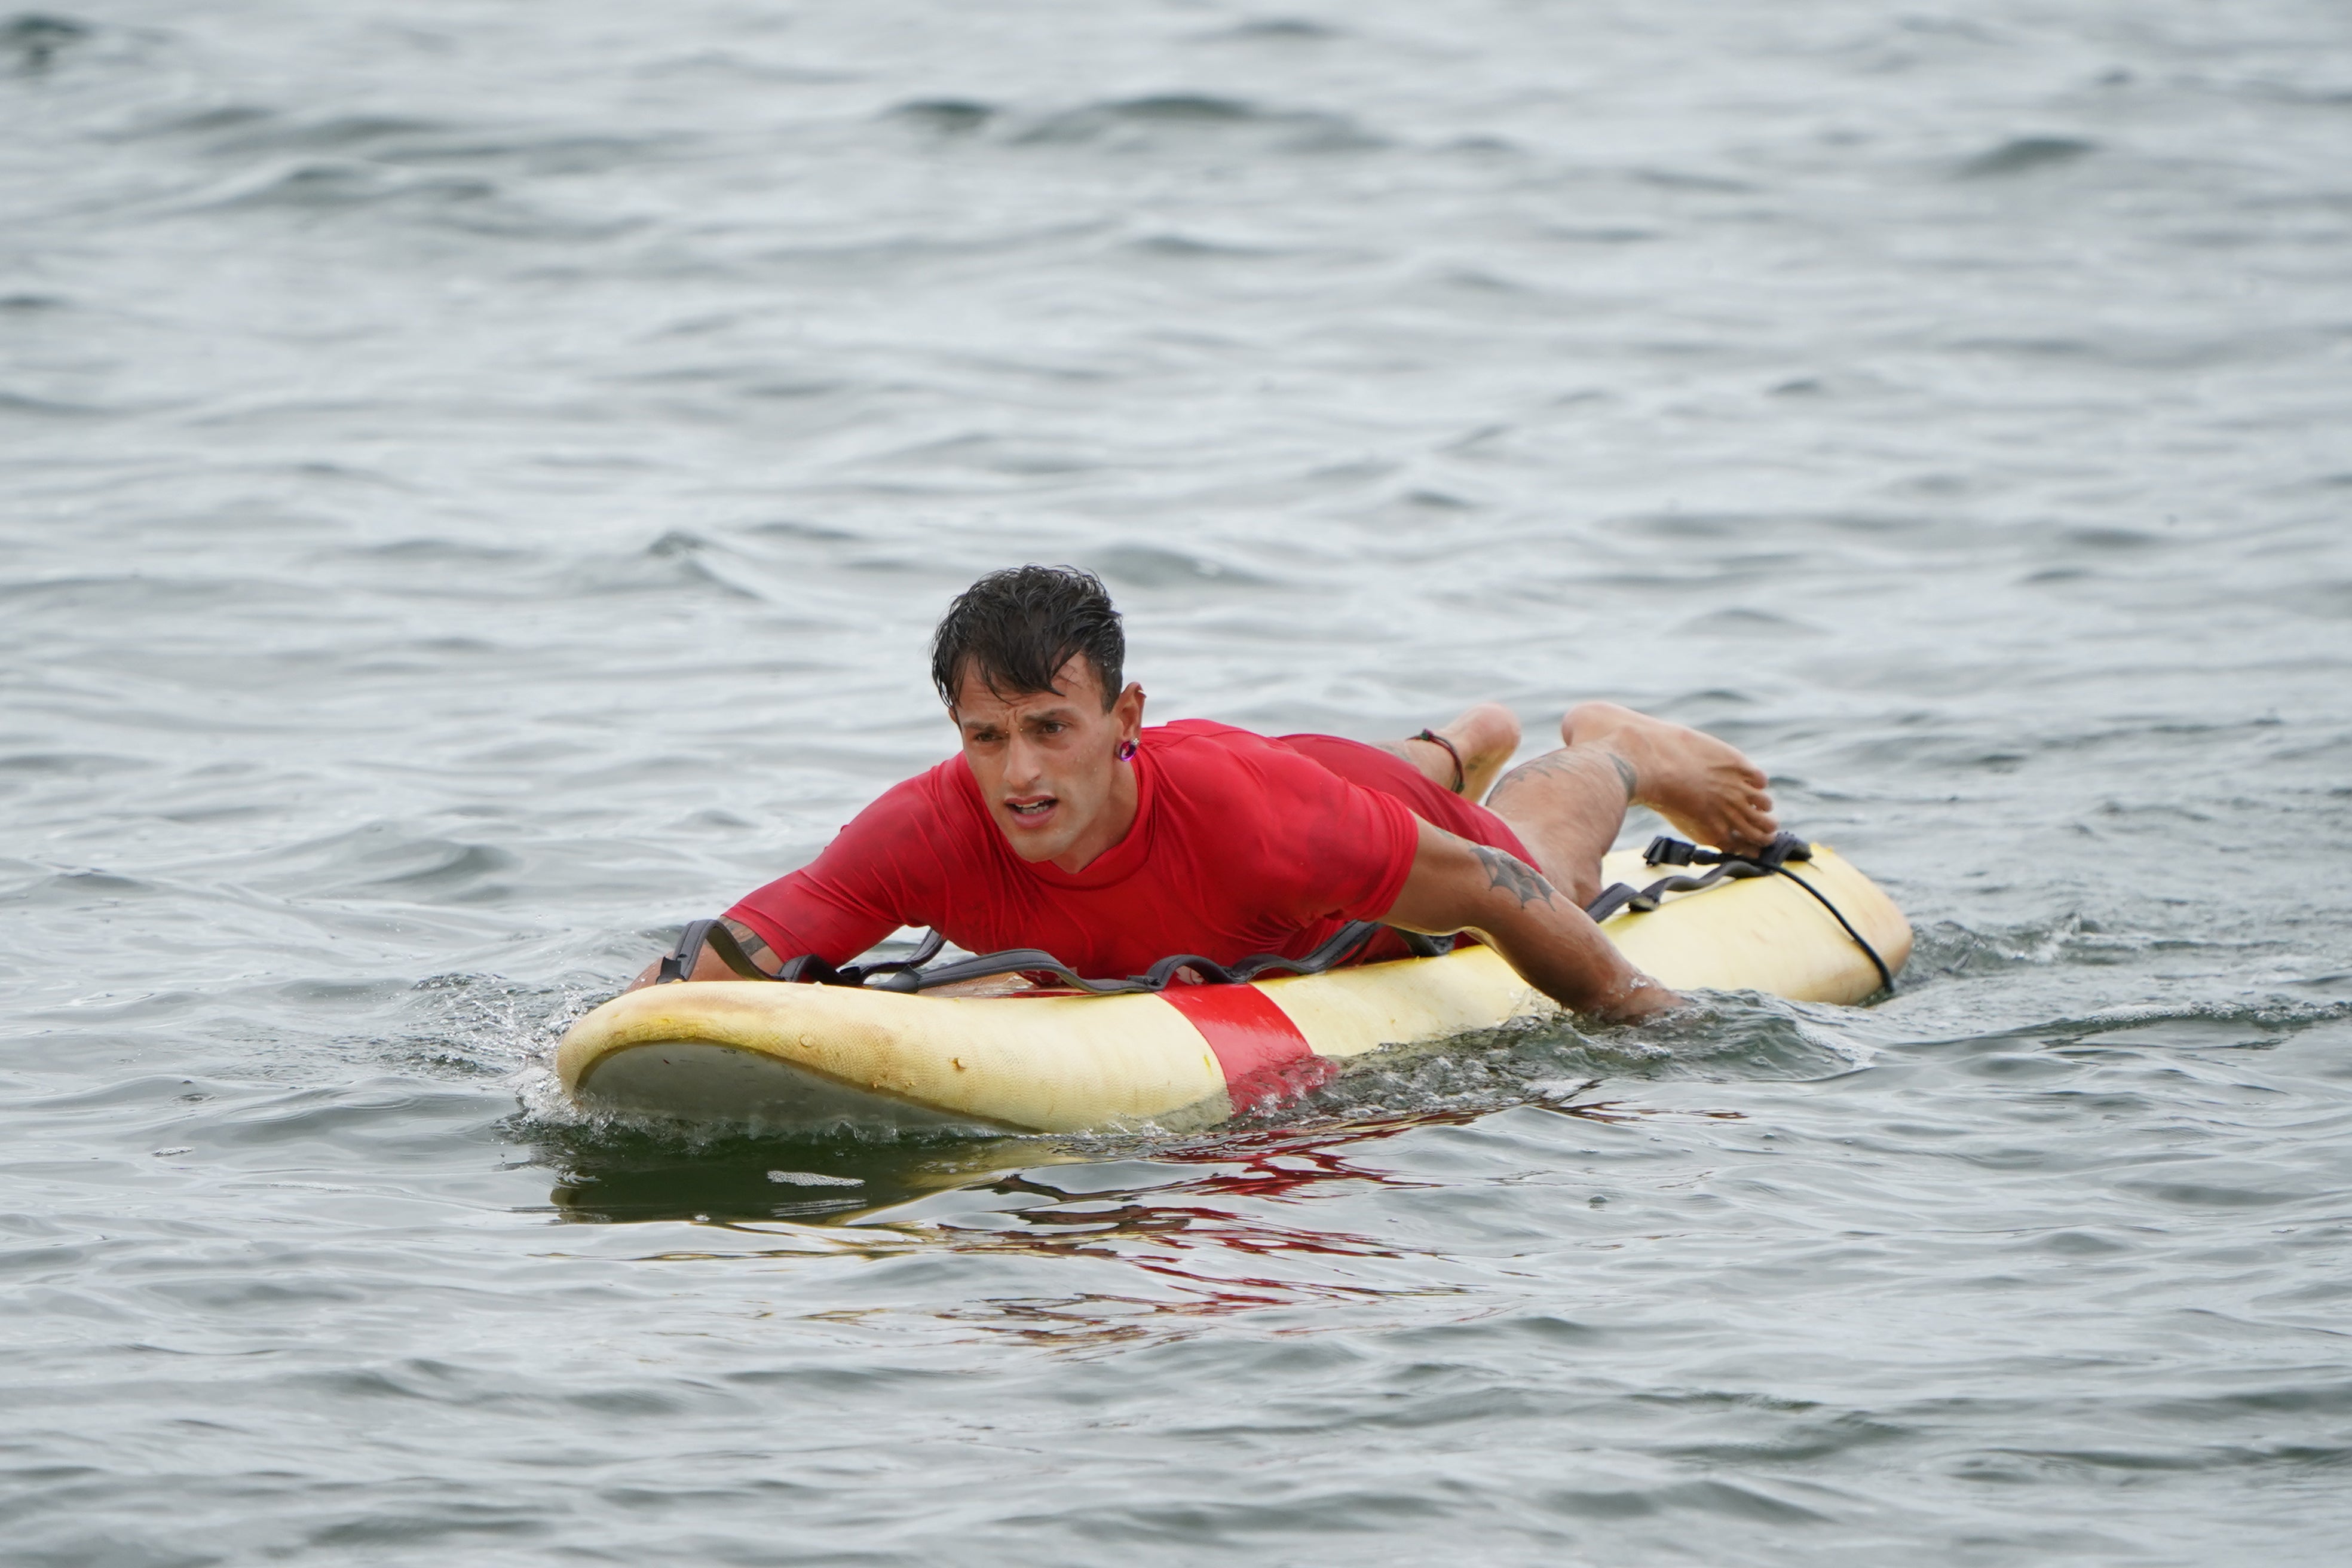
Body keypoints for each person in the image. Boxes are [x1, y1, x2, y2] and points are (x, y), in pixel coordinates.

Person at [632, 565, 1778, 1021]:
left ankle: (1613, 745)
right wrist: (608, 1035)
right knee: (1354, 810)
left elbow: (1503, 889)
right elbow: (748, 938)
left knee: (1554, 857)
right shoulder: (926, 829)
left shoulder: (1258, 819)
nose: (1018, 774)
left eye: (1049, 730)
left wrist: (1642, 1019)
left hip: (1314, 807)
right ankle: (1452, 738)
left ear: (1123, 722)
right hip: (1299, 795)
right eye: (986, 738)